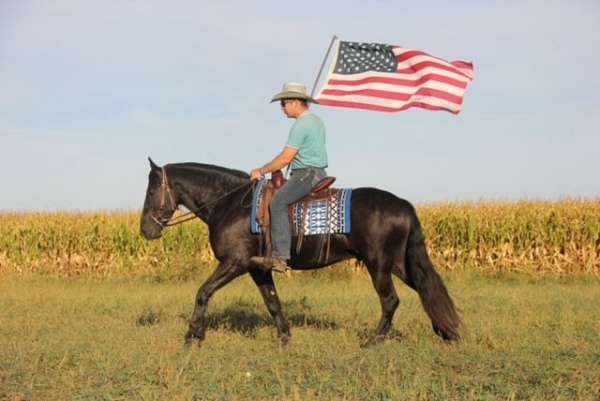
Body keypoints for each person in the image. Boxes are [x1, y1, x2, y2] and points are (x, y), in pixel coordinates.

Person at [250, 82, 328, 273]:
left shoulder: (302, 124)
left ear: (295, 102)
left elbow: (285, 158)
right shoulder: (316, 120)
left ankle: (280, 257)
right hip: (314, 172)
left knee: (277, 203)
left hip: (307, 174)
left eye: (283, 104)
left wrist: (261, 170)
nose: (282, 108)